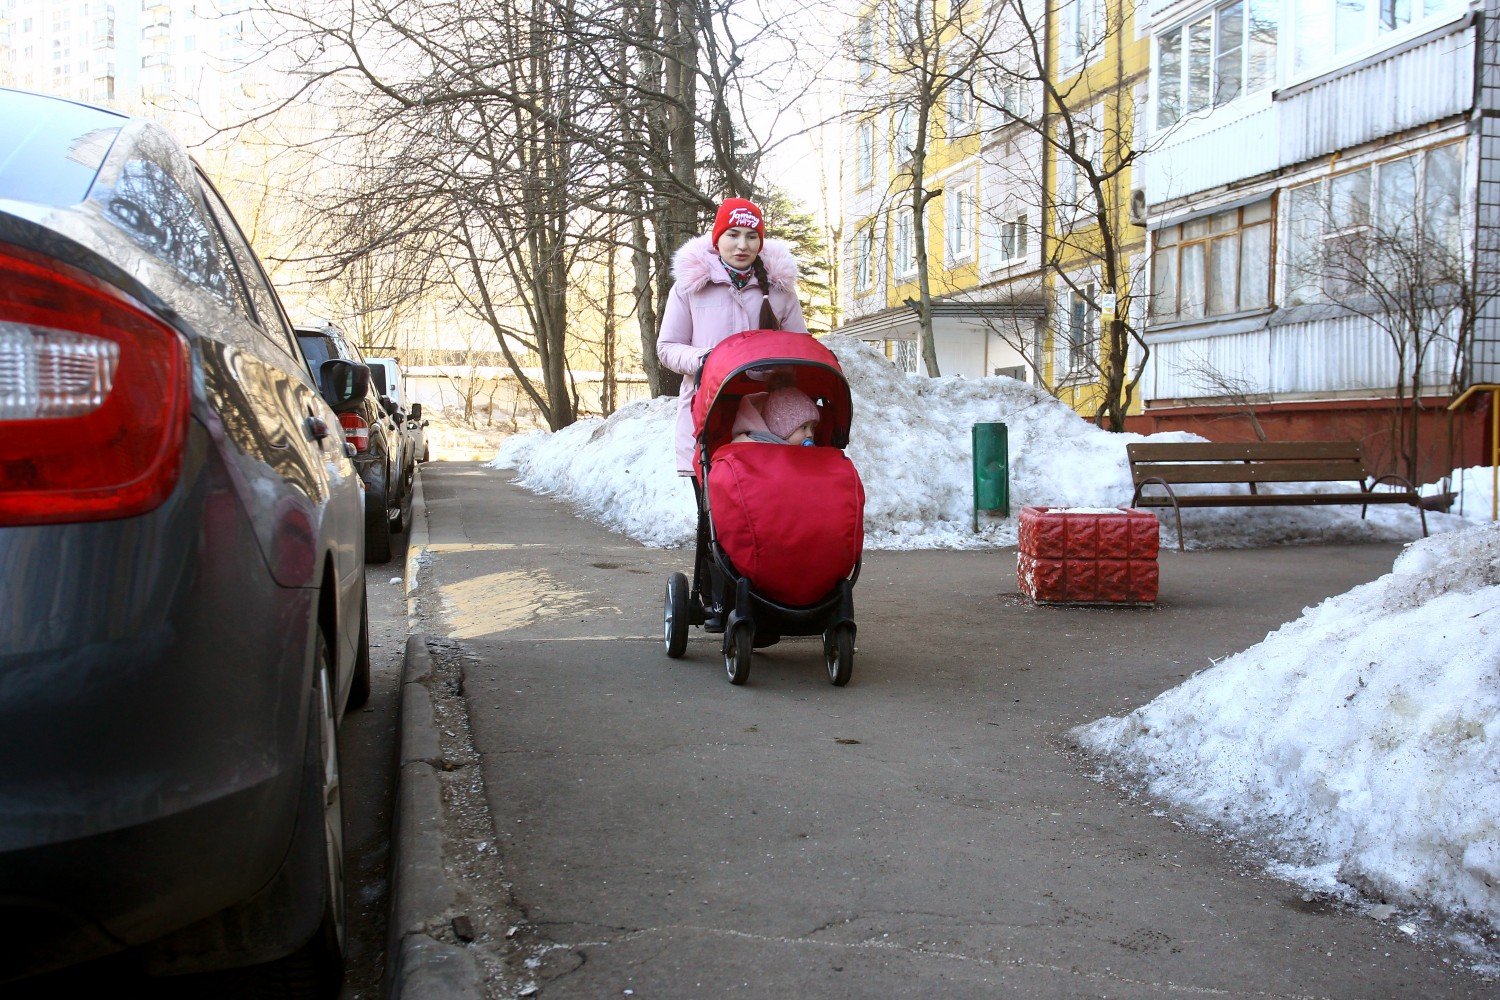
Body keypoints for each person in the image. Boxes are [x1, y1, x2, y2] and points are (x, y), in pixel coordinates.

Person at [656, 197, 809, 478]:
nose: (742, 245)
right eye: (733, 234)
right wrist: (707, 359)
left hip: (764, 418)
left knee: (762, 506)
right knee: (713, 510)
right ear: (717, 239)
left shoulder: (780, 290)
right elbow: (667, 348)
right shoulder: (690, 287)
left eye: (752, 237)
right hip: (706, 410)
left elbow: (802, 350)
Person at [731, 387, 820, 446]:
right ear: (781, 430)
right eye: (804, 427)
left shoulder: (807, 451)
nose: (810, 434)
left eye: (812, 428)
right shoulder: (751, 448)